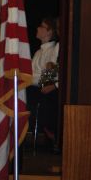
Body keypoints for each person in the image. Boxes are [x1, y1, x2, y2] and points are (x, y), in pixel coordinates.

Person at [27, 16, 59, 150]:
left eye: (42, 26)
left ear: (49, 32)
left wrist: (27, 79)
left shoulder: (54, 49)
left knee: (28, 93)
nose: (38, 28)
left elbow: (48, 77)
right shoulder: (38, 52)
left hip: (44, 89)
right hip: (36, 87)